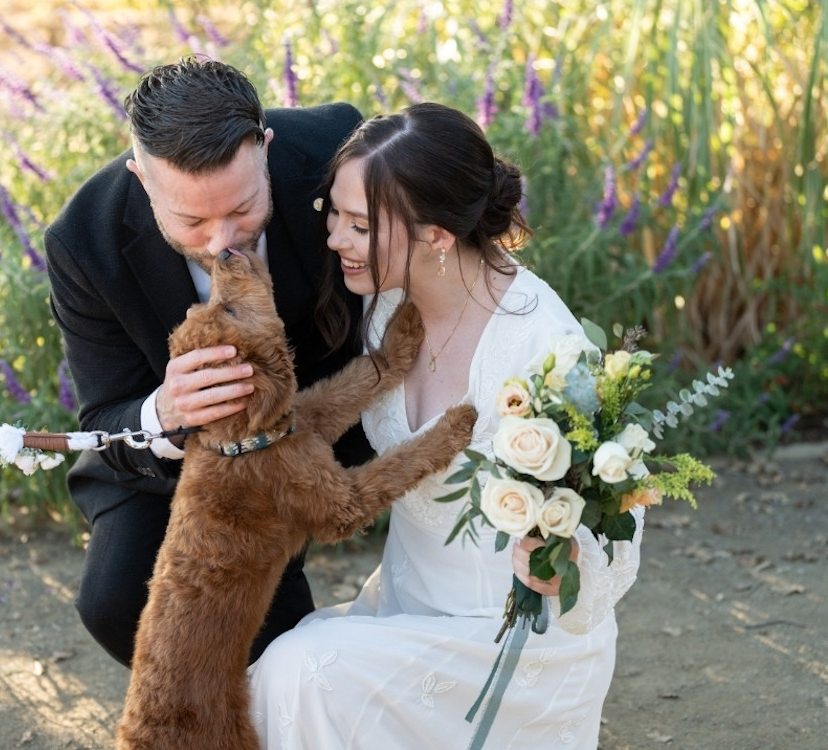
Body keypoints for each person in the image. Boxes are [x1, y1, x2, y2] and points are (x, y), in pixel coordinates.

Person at [248, 102, 645, 748]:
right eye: (335, 216)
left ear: (435, 234)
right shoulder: (383, 304)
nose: (334, 240)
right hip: (408, 602)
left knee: (301, 669)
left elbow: (616, 523)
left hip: (508, 639)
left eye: (358, 225)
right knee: (288, 667)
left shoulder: (544, 347)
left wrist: (564, 560)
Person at [44, 57, 371, 668]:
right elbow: (106, 416)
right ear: (141, 179)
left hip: (342, 418)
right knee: (118, 601)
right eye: (192, 220)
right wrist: (163, 412)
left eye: (243, 208)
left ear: (266, 148)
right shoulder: (83, 242)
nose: (223, 240)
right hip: (182, 467)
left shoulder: (339, 149)